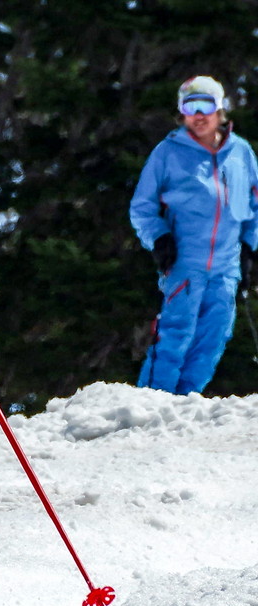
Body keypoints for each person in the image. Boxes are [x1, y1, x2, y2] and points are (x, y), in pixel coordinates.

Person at [129, 75, 258, 394]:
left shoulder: (240, 152)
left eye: (206, 105)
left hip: (227, 266)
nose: (199, 115)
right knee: (176, 334)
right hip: (185, 262)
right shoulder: (168, 152)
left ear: (220, 110)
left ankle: (184, 404)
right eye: (191, 106)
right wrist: (159, 237)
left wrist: (252, 248)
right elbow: (142, 206)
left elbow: (253, 207)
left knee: (213, 339)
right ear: (181, 112)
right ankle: (154, 401)